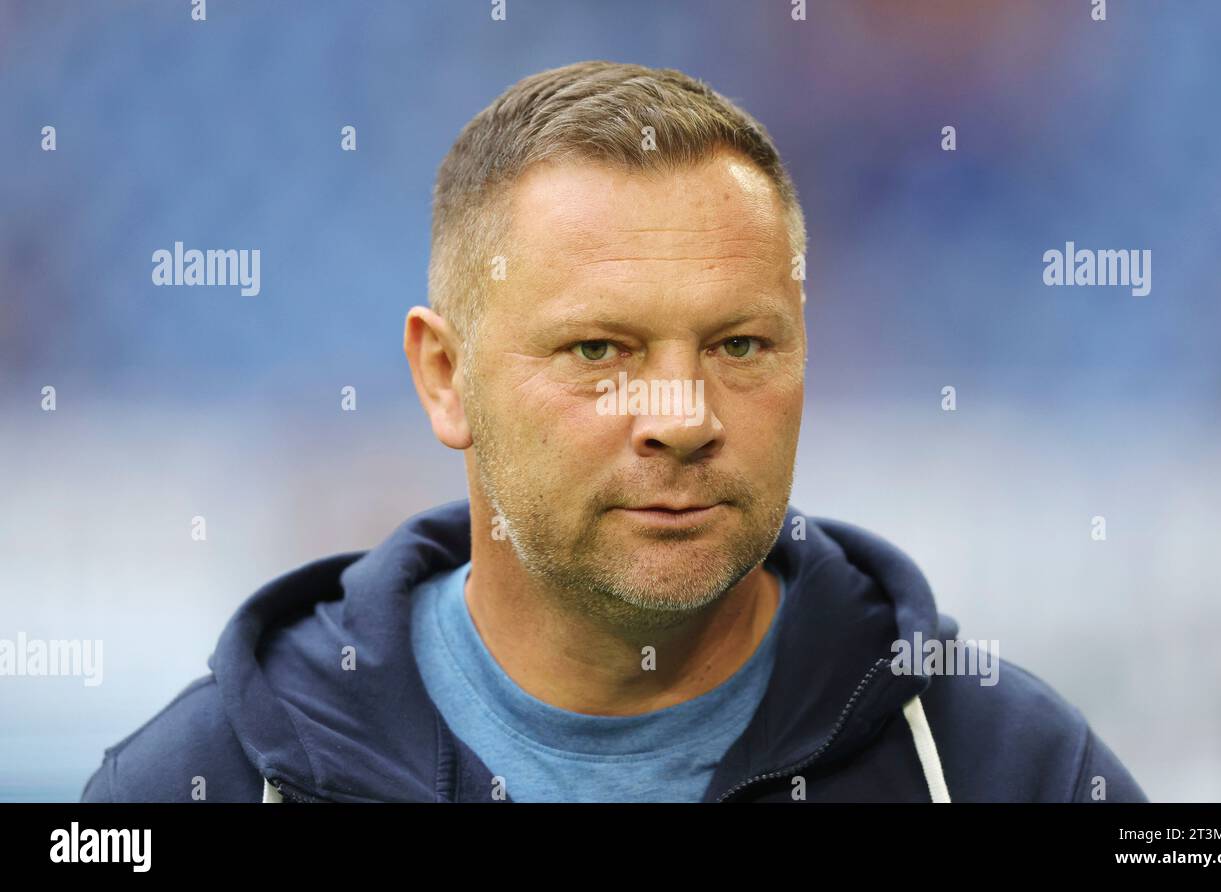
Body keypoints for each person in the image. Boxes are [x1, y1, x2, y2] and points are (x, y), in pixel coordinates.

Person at [82, 60, 1147, 803]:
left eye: (738, 346)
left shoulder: (1005, 770)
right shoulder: (205, 783)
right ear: (445, 378)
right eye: (600, 352)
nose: (681, 421)